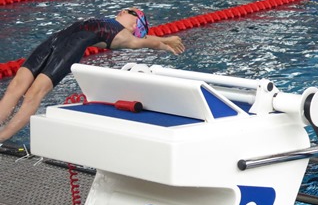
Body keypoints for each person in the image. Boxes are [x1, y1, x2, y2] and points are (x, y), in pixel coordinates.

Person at [0, 8, 186, 145]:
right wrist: (165, 41)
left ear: (134, 24)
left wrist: (165, 41)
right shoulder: (111, 23)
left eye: (131, 12)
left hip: (68, 51)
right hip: (53, 41)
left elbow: (146, 41)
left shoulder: (124, 36)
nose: (124, 10)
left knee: (34, 93)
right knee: (16, 85)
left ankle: (3, 136)